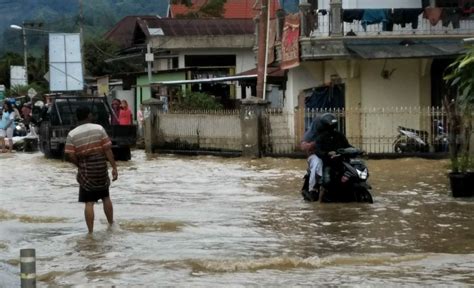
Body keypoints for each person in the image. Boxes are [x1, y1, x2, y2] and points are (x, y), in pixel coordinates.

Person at [64, 106, 118, 234]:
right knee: (105, 197)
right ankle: (111, 224)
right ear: (88, 115)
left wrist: (80, 165)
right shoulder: (99, 129)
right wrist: (114, 167)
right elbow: (107, 149)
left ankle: (90, 232)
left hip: (86, 168)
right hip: (100, 165)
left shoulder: (72, 134)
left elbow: (70, 155)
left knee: (89, 202)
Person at [314, 113, 351, 190]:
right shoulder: (320, 137)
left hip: (341, 162)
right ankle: (320, 199)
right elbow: (318, 151)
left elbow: (347, 146)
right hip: (328, 163)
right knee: (326, 182)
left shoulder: (339, 135)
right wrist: (327, 153)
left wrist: (357, 150)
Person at [300, 115, 324, 194]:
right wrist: (312, 145)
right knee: (317, 163)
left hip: (328, 155)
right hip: (315, 156)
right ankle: (312, 189)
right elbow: (303, 146)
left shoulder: (332, 134)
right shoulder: (310, 133)